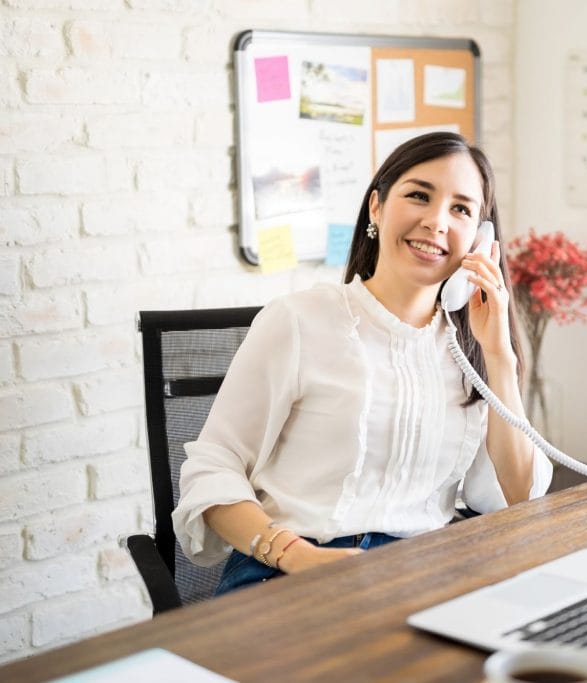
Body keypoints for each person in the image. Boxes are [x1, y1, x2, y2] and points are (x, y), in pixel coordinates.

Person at [172, 132, 552, 595]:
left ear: (480, 238)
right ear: (376, 207)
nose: (436, 222)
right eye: (418, 195)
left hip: (423, 574)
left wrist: (499, 357)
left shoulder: (472, 352)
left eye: (461, 209)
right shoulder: (298, 321)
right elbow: (213, 465)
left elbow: (517, 495)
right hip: (291, 571)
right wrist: (298, 556)